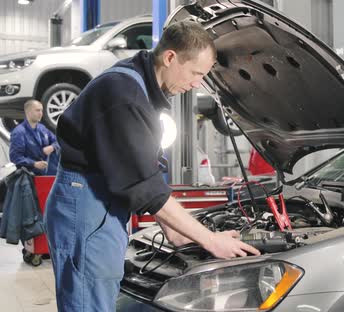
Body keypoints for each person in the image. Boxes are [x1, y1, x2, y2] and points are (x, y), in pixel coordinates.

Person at [44, 20, 260, 311]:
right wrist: (209, 240)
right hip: (86, 204)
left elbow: (144, 169)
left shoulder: (141, 88)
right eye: (196, 73)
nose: (197, 84)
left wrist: (175, 231)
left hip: (99, 204)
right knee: (89, 302)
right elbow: (144, 184)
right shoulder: (125, 94)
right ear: (170, 57)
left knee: (99, 294)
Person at [9, 99, 59, 175]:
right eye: (37, 110)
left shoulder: (42, 128)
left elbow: (58, 141)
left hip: (49, 174)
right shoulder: (19, 132)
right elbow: (15, 157)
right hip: (30, 177)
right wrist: (34, 163)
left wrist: (52, 147)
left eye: (41, 110)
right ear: (28, 112)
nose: (41, 113)